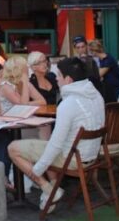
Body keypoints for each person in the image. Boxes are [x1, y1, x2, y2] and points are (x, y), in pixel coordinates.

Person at [8, 57, 105, 211]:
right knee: (47, 146)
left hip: (73, 158)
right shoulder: (97, 96)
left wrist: (37, 170)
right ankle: (52, 188)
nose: (56, 79)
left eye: (59, 75)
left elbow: (55, 145)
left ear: (68, 79)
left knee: (13, 148)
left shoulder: (68, 104)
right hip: (92, 155)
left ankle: (48, 189)